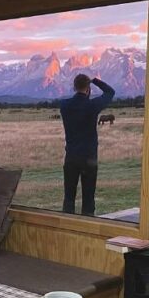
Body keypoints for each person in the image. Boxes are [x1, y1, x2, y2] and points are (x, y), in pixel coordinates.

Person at [59, 74, 114, 216]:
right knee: (88, 197)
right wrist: (95, 80)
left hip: (71, 157)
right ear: (88, 88)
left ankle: (66, 225)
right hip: (89, 158)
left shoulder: (64, 105)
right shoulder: (92, 105)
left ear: (74, 87)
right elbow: (110, 92)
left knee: (69, 196)